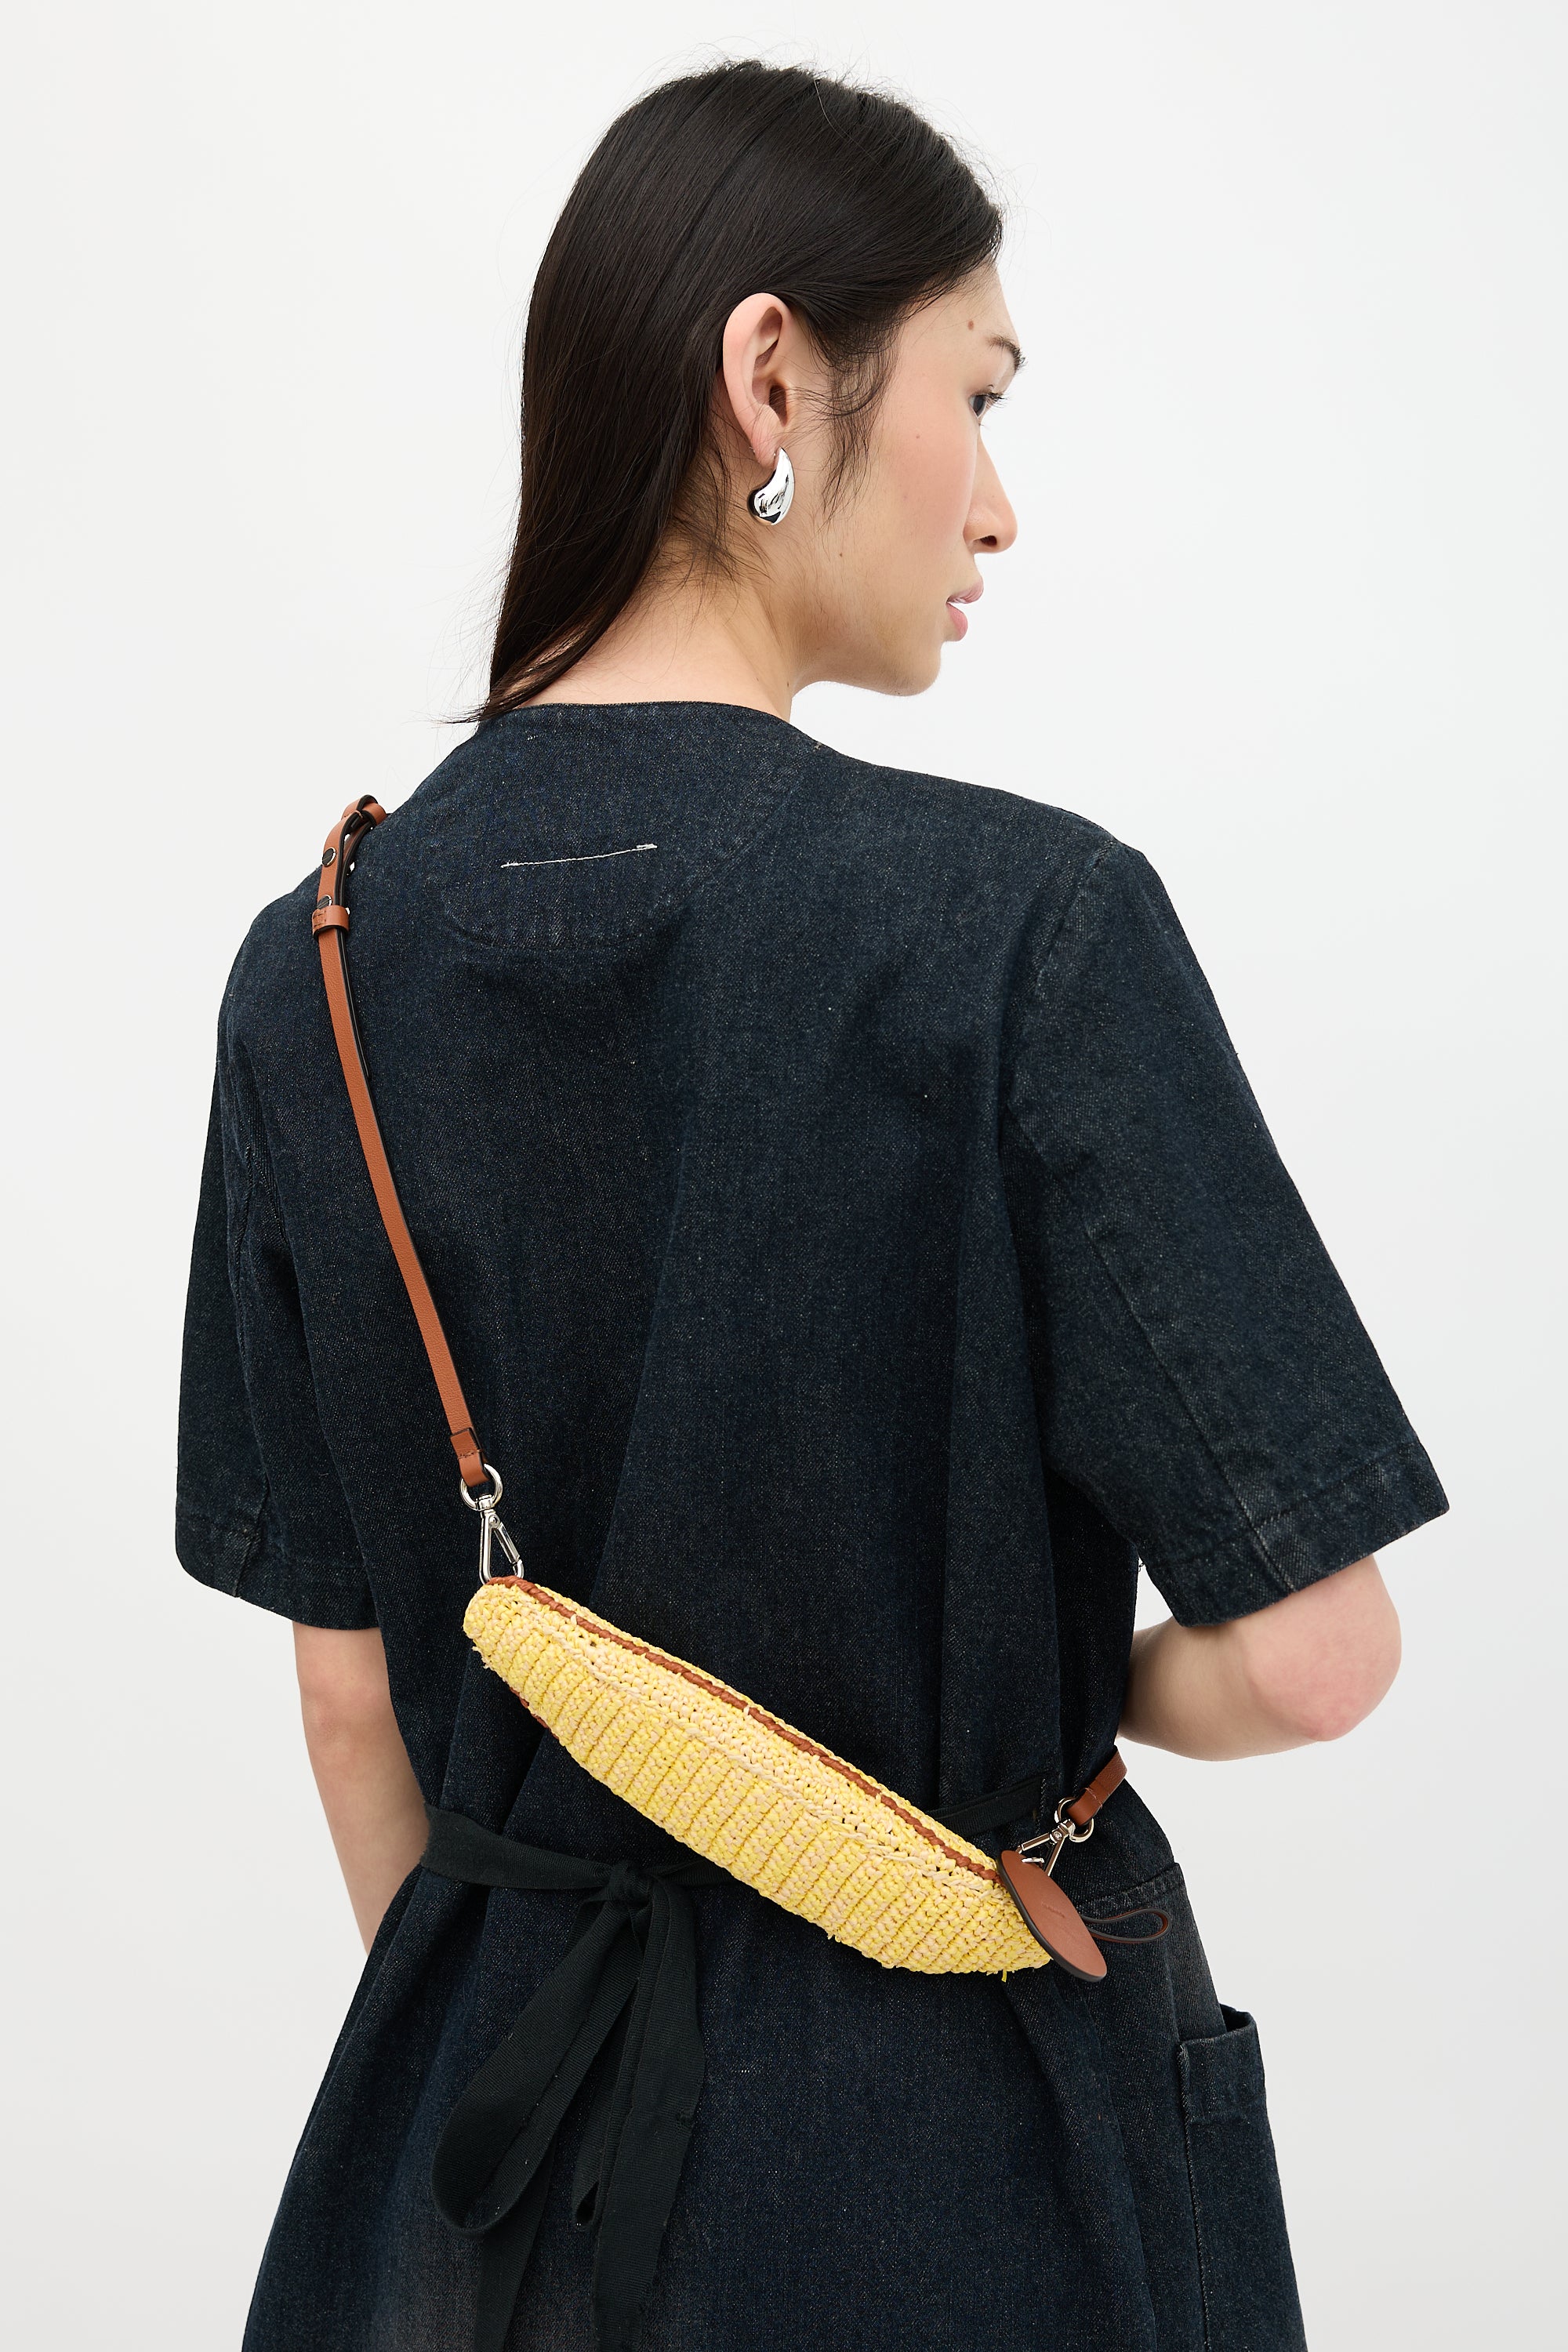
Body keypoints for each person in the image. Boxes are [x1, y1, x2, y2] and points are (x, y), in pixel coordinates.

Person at [176, 57, 1446, 2352]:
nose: (1001, 506)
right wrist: (1031, 1689)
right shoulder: (1024, 931)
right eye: (980, 391)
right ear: (773, 380)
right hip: (978, 2176)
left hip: (484, 2186)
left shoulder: (319, 969)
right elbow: (1312, 1654)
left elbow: (356, 1705)